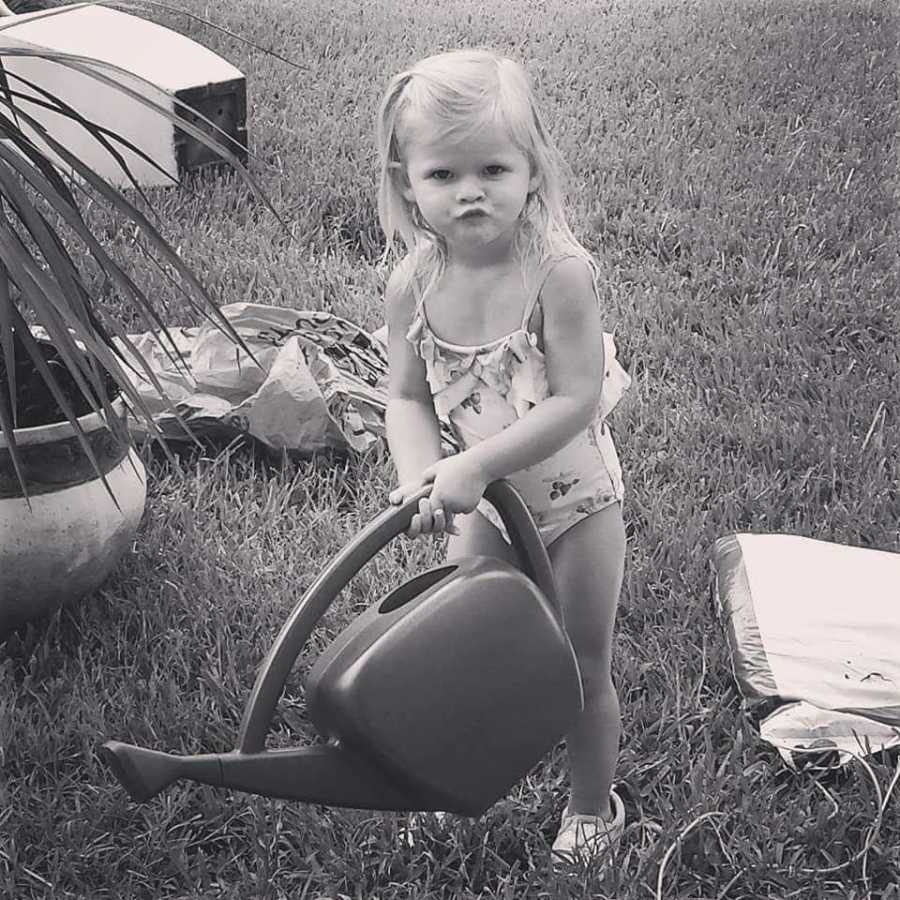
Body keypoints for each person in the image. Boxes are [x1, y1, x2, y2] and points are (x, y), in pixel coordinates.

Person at [375, 47, 630, 867]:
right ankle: (459, 784)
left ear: (533, 170)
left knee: (579, 658)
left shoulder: (559, 275)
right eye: (443, 173)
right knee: (470, 656)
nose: (471, 191)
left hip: (576, 505)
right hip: (479, 507)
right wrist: (420, 472)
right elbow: (408, 397)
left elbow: (574, 397)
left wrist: (477, 466)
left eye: (493, 167)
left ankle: (592, 807)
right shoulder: (412, 285)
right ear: (406, 180)